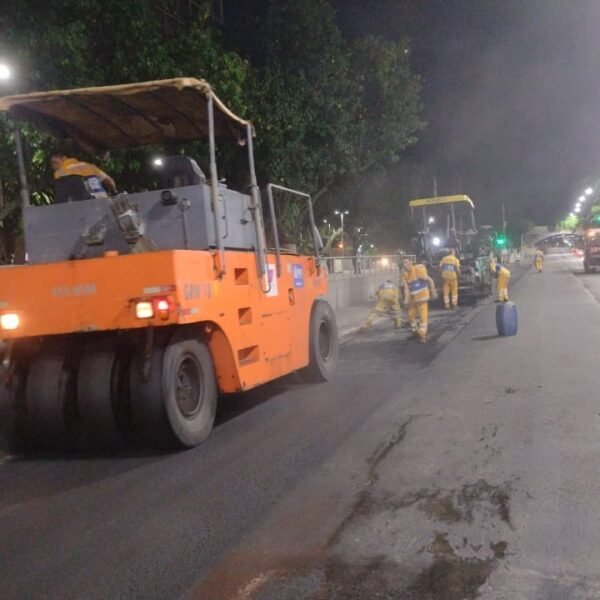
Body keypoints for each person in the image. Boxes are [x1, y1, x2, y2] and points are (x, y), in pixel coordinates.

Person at [402, 258, 437, 343]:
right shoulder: (404, 275)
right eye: (403, 263)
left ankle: (422, 335)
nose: (405, 265)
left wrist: (433, 292)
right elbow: (406, 289)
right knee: (410, 315)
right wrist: (406, 300)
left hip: (422, 297)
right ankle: (415, 332)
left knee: (422, 317)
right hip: (414, 298)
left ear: (411, 262)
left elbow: (430, 280)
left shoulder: (417, 270)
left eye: (406, 262)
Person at [50, 152, 117, 197]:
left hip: (81, 205)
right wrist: (113, 192)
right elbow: (109, 181)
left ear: (64, 158)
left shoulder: (59, 173)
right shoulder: (88, 165)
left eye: (55, 162)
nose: (53, 166)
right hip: (101, 201)